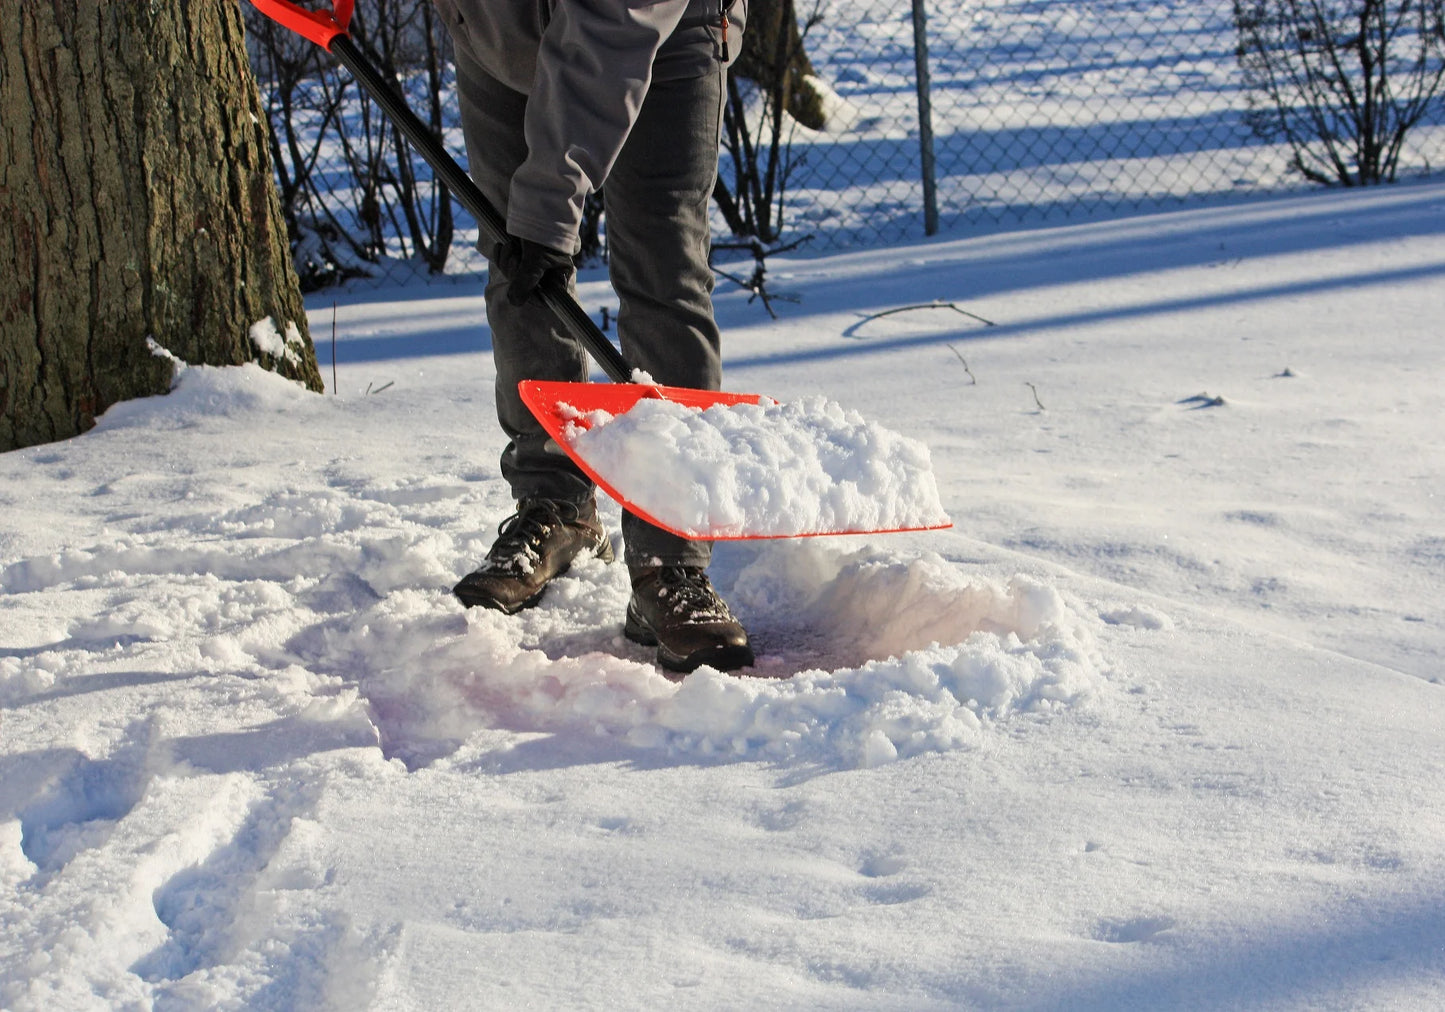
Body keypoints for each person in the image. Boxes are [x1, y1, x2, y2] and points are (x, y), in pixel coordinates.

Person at [433, 0, 754, 675]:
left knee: (664, 269)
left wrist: (548, 213)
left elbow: (612, 20)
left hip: (659, 27)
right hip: (497, 30)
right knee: (519, 270)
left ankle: (671, 556)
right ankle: (555, 505)